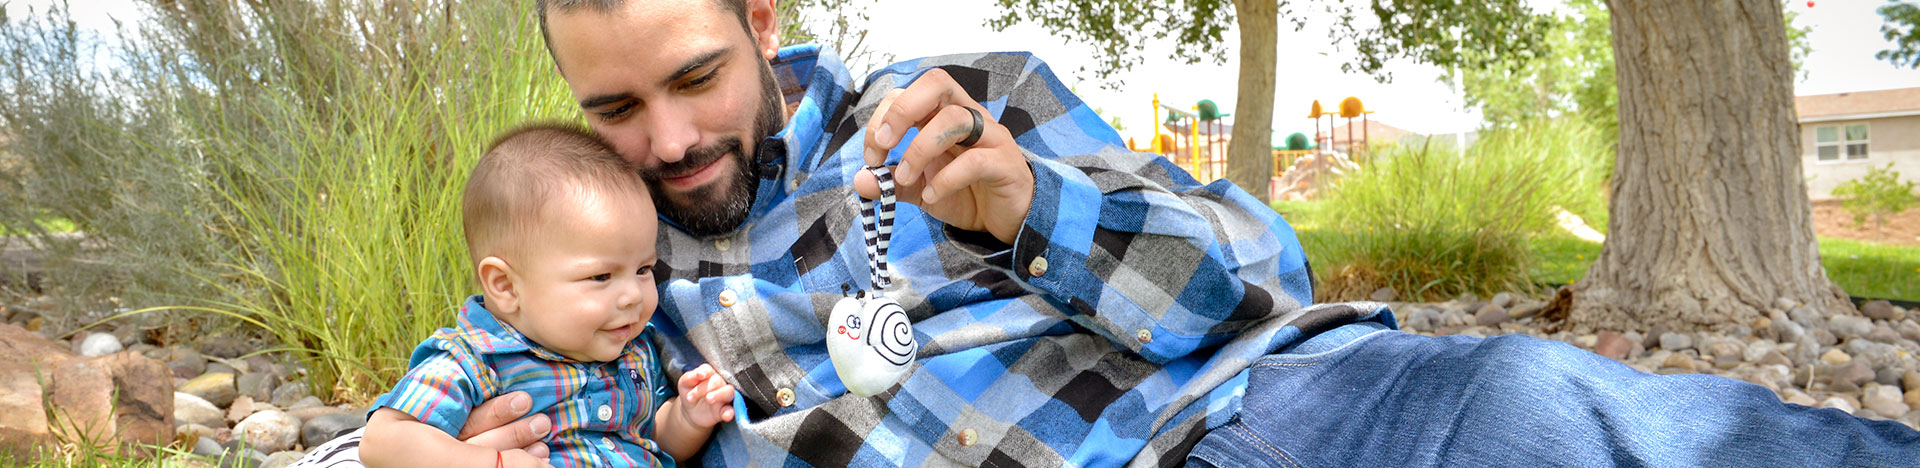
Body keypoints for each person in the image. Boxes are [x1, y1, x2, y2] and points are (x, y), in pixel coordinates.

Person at [299, 0, 1920, 466]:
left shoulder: (965, 96)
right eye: (614, 110)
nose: (666, 141)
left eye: (693, 80)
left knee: (1536, 414)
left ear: (763, 16)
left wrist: (1023, 201)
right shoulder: (613, 254)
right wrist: (396, 439)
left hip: (1255, 413)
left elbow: (1262, 277)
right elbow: (477, 379)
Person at [356, 125, 736, 468]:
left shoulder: (634, 351)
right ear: (506, 286)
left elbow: (650, 436)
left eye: (643, 270)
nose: (632, 296)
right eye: (600, 276)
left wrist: (687, 418)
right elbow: (383, 440)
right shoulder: (476, 360)